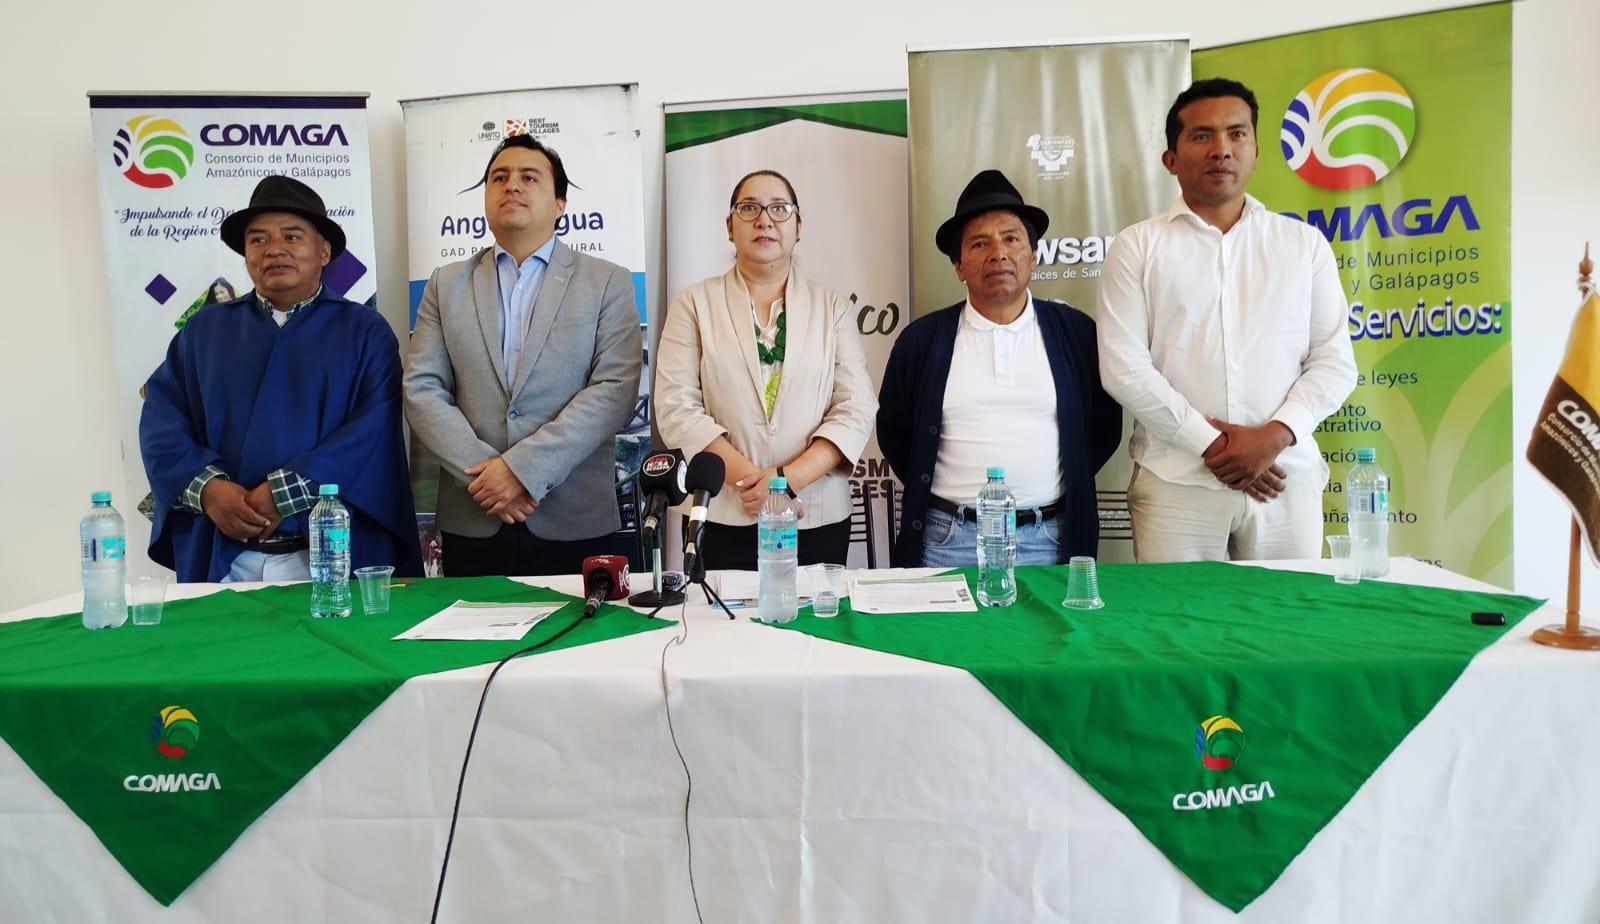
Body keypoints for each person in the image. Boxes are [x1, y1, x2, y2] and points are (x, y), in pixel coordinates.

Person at [1096, 78, 1358, 562]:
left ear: (1256, 152)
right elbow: (1123, 368)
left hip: (1285, 478)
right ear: (1170, 160)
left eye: (1237, 134)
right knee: (1179, 613)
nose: (1221, 149)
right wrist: (1214, 445)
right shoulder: (1137, 247)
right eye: (1202, 136)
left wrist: (1272, 439)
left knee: (1284, 611)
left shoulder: (1303, 245)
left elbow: (1335, 361)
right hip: (1176, 484)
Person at [140, 175, 421, 582]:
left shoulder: (364, 331)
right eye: (258, 239)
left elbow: (372, 431)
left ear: (324, 251)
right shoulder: (204, 331)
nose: (273, 249)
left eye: (292, 236)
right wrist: (210, 491)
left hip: (328, 554)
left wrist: (283, 493)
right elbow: (162, 423)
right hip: (223, 555)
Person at [405, 135, 642, 577]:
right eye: (499, 178)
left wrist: (521, 472)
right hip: (475, 517)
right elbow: (422, 389)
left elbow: (614, 390)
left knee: (583, 627)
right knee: (470, 626)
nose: (511, 185)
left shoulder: (607, 282)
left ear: (560, 204)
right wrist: (486, 479)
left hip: (574, 519)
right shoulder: (445, 284)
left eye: (529, 177)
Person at [878, 170, 1121, 568]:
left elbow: (1103, 428)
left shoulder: (1077, 335)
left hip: (1051, 538)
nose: (998, 253)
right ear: (959, 266)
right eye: (979, 243)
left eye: (1011, 238)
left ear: (1034, 256)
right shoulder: (921, 341)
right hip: (947, 540)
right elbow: (896, 432)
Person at [654, 170, 876, 569]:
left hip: (814, 514)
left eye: (779, 209)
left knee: (814, 611)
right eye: (749, 208)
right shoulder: (694, 304)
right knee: (720, 610)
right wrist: (757, 485)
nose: (764, 220)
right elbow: (677, 407)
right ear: (729, 226)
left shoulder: (832, 308)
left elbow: (855, 407)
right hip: (721, 512)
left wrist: (787, 482)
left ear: (798, 226)